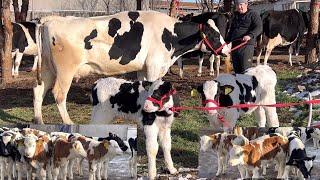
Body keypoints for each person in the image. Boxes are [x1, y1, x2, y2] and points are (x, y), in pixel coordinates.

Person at [226, 0, 262, 73]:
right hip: (235, 46)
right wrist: (226, 41)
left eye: (241, 5)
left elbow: (259, 27)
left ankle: (247, 84)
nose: (239, 7)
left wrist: (250, 35)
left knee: (245, 70)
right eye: (237, 5)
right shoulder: (235, 15)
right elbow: (232, 30)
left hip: (246, 45)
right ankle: (239, 84)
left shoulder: (253, 14)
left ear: (246, 4)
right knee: (237, 70)